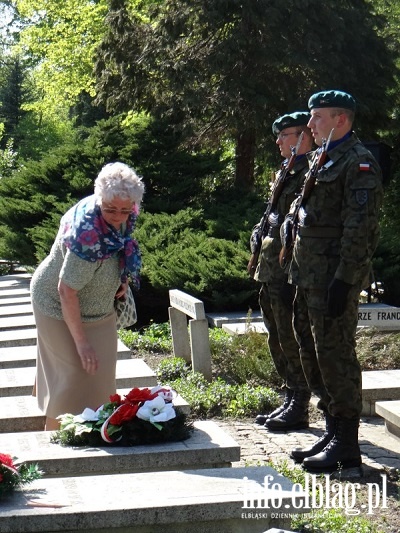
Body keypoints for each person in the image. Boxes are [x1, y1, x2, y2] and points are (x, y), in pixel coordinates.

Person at [286, 90, 383, 472]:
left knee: (335, 356)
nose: (310, 126)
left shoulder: (358, 164)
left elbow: (361, 230)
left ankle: (347, 443)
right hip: (307, 276)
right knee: (311, 353)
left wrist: (345, 281)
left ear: (341, 119)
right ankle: (331, 430)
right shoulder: (321, 159)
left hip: (331, 279)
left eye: (318, 118)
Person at [31, 161, 145, 431]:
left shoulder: (121, 207)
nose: (118, 216)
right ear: (99, 198)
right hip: (56, 307)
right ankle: (53, 451)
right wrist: (81, 344)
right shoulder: (87, 236)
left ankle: (93, 439)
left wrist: (121, 277)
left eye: (124, 210)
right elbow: (65, 290)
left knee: (100, 379)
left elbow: (119, 244)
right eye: (111, 209)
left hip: (98, 309)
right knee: (70, 379)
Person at [252, 112, 314, 431]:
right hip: (270, 267)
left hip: (289, 269)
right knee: (276, 333)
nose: (278, 141)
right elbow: (275, 215)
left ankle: (300, 402)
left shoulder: (310, 173)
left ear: (303, 136)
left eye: (284, 135)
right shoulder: (286, 171)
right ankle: (289, 393)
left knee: (292, 334)